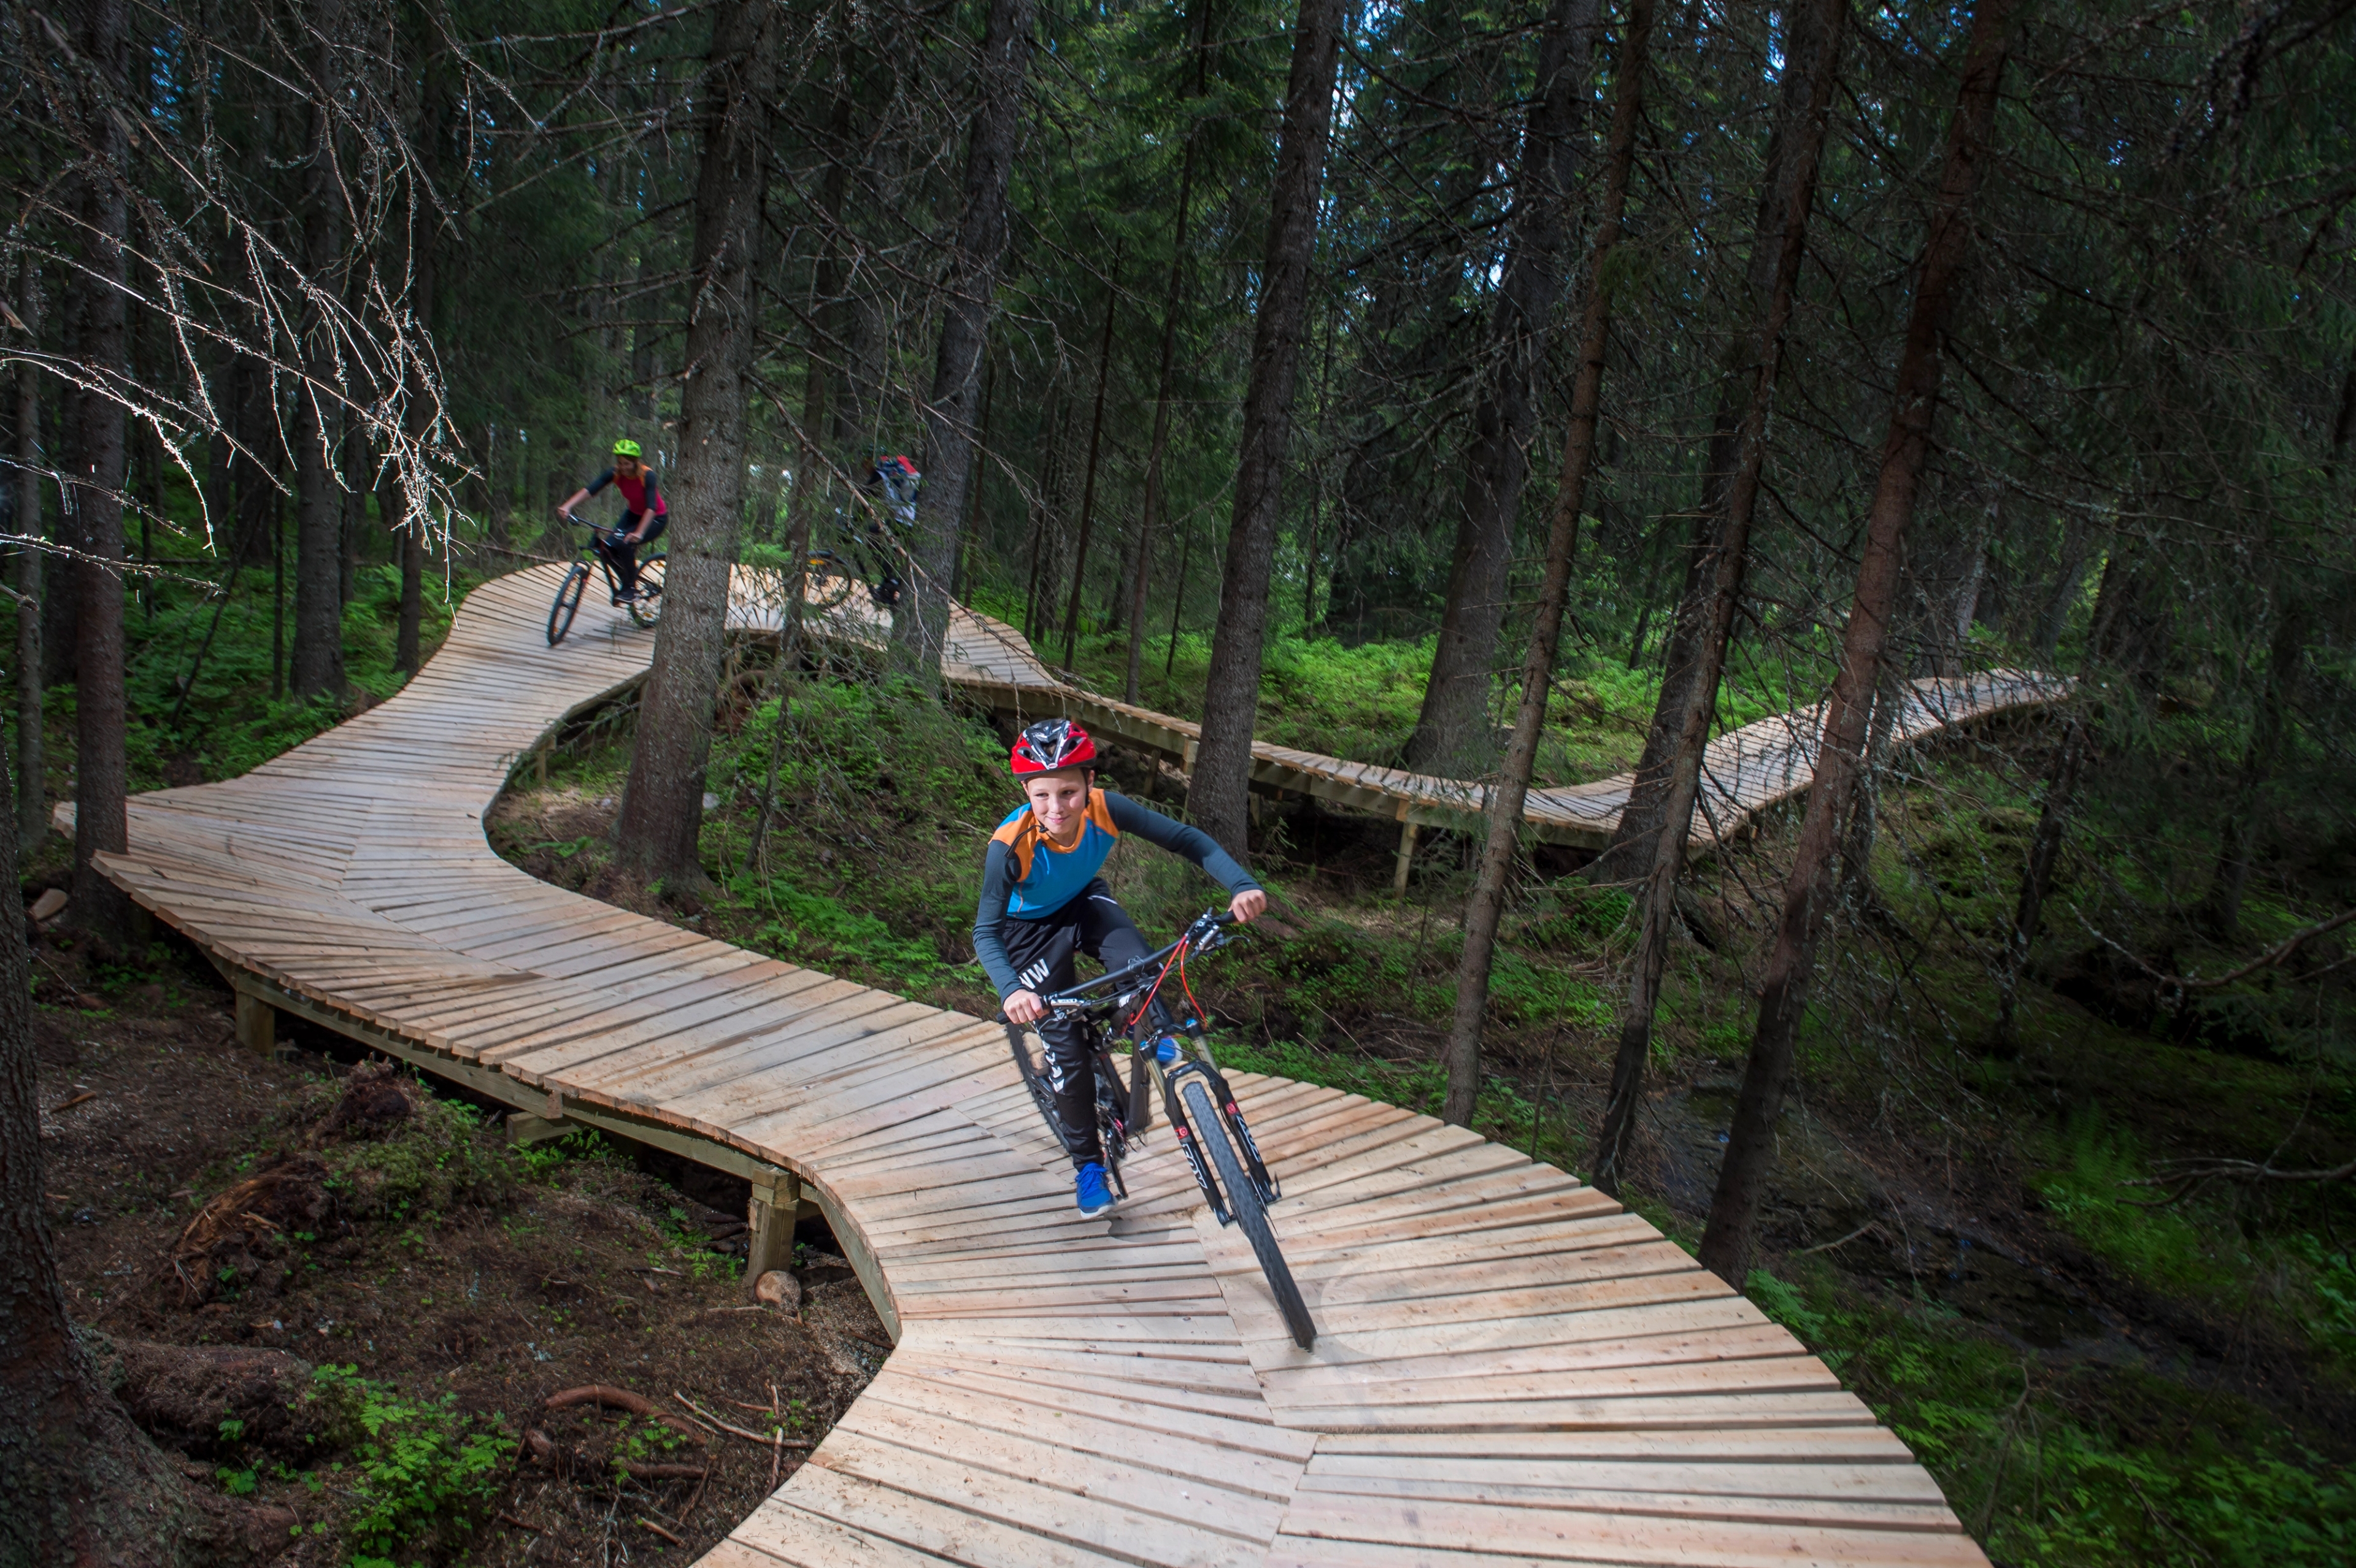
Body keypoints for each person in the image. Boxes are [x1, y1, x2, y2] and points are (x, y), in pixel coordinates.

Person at [975, 718, 1268, 1216]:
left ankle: (1152, 1026)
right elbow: (985, 930)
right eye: (1042, 796)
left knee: (1140, 969)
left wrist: (1240, 884)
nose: (1056, 808)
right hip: (1028, 934)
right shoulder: (1009, 844)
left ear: (1089, 783)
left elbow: (1189, 840)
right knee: (1064, 1048)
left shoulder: (1108, 808)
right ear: (1027, 792)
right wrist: (1010, 992)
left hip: (1085, 901)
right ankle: (1088, 1167)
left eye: (1068, 792)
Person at [556, 439, 668, 602]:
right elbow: (591, 489)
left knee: (624, 542)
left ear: (636, 463)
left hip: (656, 518)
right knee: (607, 548)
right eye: (621, 463)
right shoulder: (615, 473)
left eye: (627, 464)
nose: (623, 467)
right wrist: (567, 506)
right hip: (633, 514)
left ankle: (631, 588)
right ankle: (627, 579)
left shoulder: (647, 475)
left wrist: (639, 533)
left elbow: (651, 507)